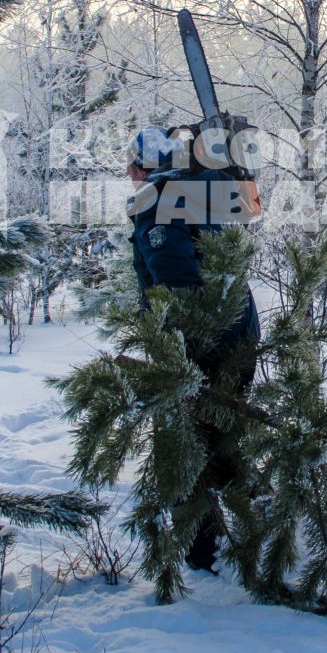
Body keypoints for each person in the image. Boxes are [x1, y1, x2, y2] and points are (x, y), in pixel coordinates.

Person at [126, 125, 260, 571]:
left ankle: (201, 551)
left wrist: (179, 346)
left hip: (198, 344)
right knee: (225, 435)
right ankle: (255, 527)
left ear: (145, 165)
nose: (128, 173)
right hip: (240, 334)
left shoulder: (157, 201)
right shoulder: (211, 190)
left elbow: (176, 280)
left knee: (185, 446)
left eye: (132, 164)